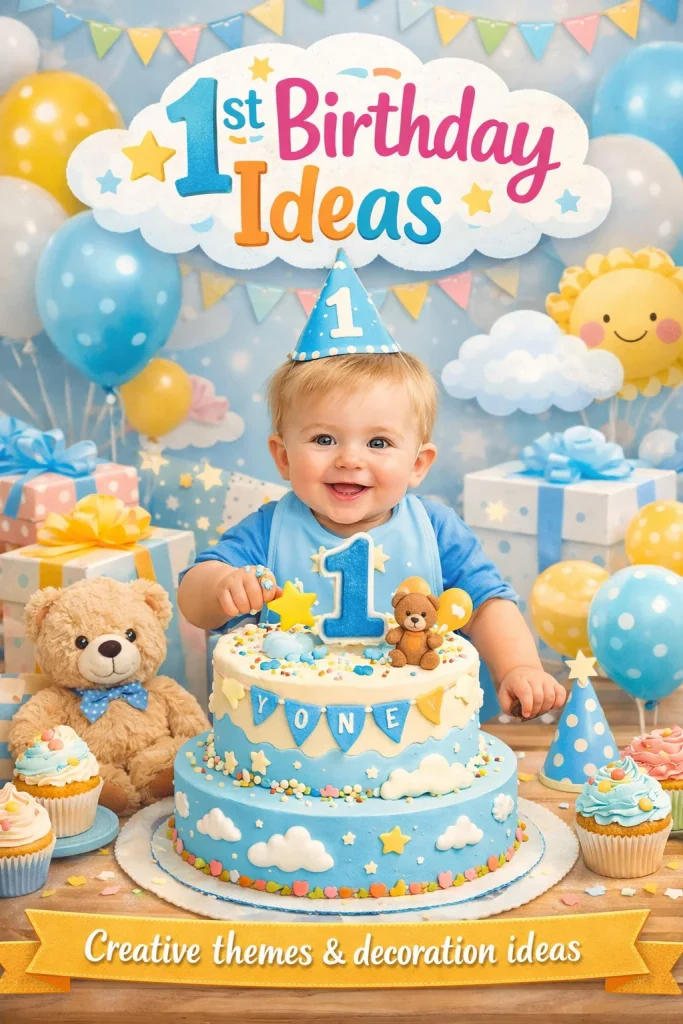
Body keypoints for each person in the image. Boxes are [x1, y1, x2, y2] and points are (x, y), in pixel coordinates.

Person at [178, 252, 566, 722]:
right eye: (324, 439)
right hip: (289, 736)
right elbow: (193, 598)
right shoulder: (271, 530)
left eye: (379, 442)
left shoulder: (434, 528)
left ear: (418, 464)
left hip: (422, 733)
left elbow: (486, 602)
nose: (350, 459)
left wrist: (518, 667)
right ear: (283, 456)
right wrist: (222, 586)